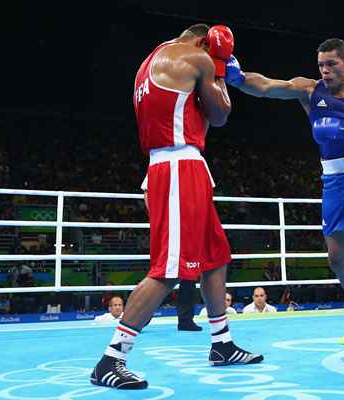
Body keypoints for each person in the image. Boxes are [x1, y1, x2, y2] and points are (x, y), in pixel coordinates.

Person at [90, 23, 262, 391]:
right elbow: (220, 114)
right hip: (179, 167)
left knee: (215, 256)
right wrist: (219, 66)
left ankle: (222, 343)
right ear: (204, 41)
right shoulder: (197, 57)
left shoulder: (153, 58)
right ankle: (111, 359)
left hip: (171, 165)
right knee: (167, 270)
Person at [226, 38, 344, 368]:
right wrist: (235, 75)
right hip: (333, 180)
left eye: (332, 64)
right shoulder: (310, 90)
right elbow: (266, 86)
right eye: (321, 64)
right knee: (337, 259)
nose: (325, 70)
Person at [141, 175, 202, 331]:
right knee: (163, 273)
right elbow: (147, 192)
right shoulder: (160, 162)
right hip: (169, 227)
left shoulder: (195, 164)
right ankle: (142, 316)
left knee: (190, 272)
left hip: (189, 226)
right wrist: (157, 218)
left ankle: (186, 320)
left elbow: (203, 195)